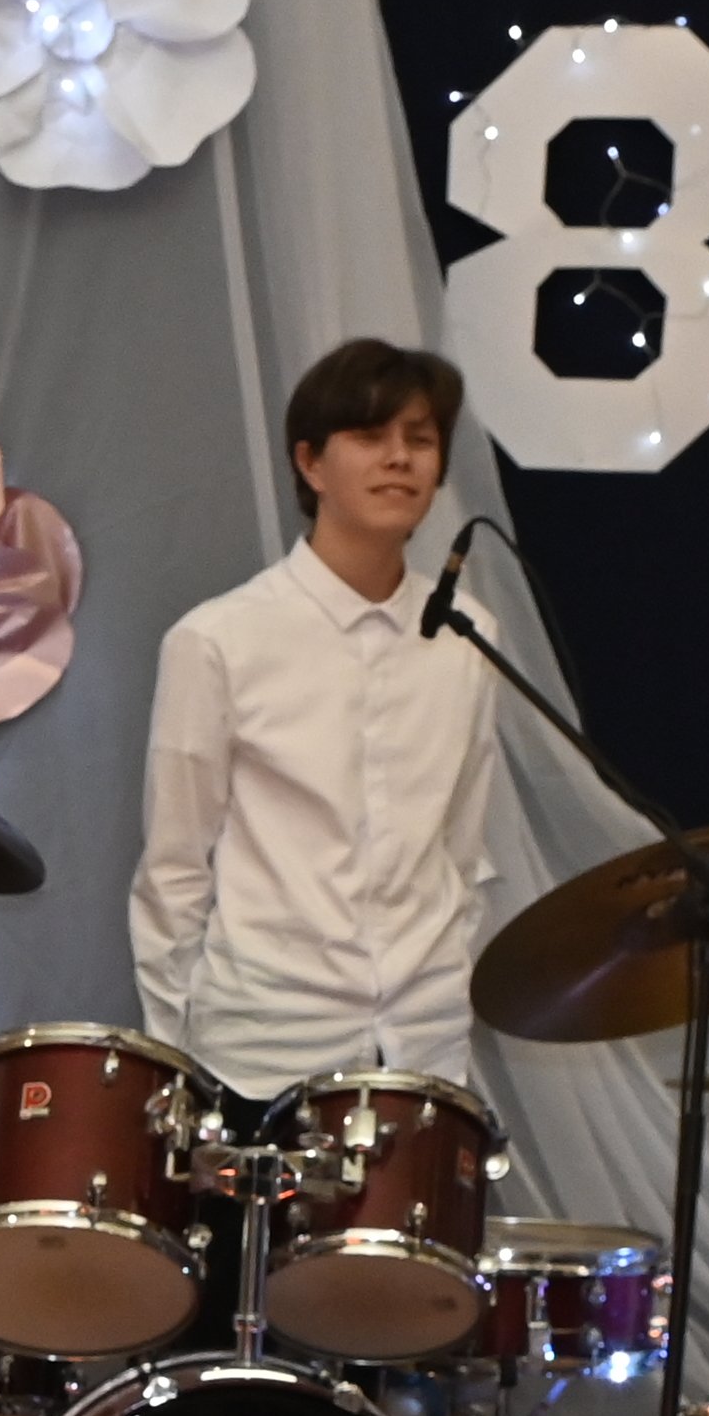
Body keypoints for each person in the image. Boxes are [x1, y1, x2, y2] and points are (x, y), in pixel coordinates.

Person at [128, 337, 504, 1102]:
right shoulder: (219, 639)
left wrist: (443, 982)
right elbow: (174, 870)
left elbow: (461, 846)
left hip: (423, 1047)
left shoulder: (467, 635)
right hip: (260, 1050)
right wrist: (176, 1059)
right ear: (310, 463)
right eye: (369, 436)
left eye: (420, 439)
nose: (398, 458)